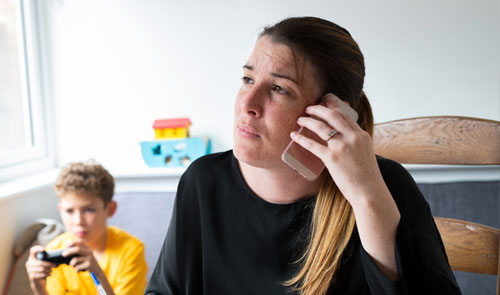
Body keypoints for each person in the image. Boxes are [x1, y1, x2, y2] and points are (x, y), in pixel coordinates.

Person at [146, 16, 461, 295]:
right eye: (247, 79)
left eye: (279, 89)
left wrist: (367, 197)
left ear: (330, 114)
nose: (248, 103)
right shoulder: (203, 181)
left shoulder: (384, 185)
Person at [25, 161, 148, 295]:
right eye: (70, 211)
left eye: (89, 210)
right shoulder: (55, 249)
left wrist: (97, 273)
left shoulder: (131, 251)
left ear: (110, 209)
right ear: (60, 210)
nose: (78, 221)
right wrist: (37, 285)